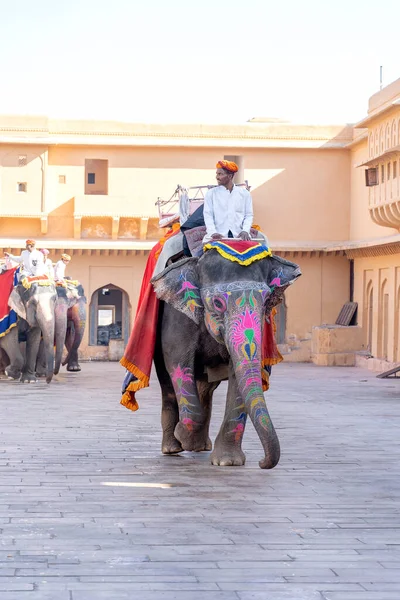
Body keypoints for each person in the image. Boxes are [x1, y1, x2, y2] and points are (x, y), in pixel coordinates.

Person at [203, 160, 253, 243]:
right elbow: (208, 215)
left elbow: (249, 215)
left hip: (239, 236)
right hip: (217, 236)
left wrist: (245, 231)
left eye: (220, 174)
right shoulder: (211, 193)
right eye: (217, 174)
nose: (217, 177)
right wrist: (213, 232)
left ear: (230, 176)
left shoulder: (244, 194)